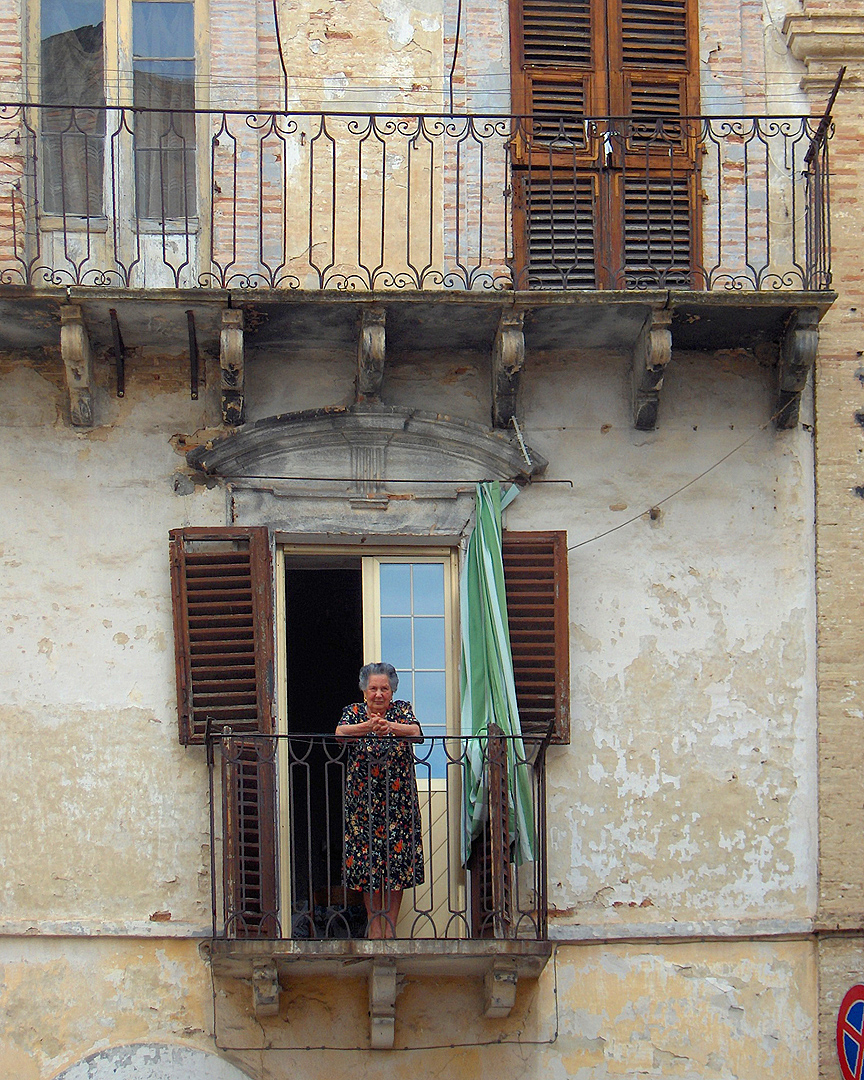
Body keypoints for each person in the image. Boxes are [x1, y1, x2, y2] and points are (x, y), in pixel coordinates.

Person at [335, 662, 424, 939]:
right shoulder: (353, 712)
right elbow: (340, 734)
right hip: (363, 807)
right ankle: (375, 930)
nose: (378, 694)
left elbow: (417, 733)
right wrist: (367, 726)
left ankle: (390, 929)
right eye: (373, 688)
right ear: (365, 690)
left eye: (384, 688)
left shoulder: (402, 710)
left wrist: (389, 727)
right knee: (368, 868)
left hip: (399, 804)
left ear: (392, 690)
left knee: (396, 868)